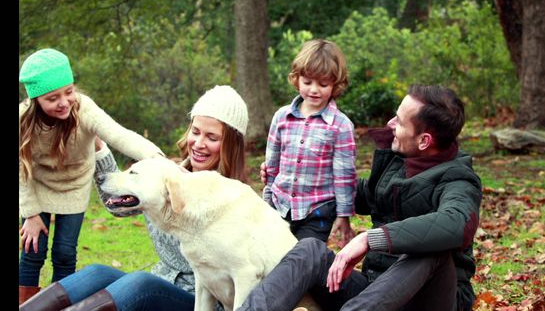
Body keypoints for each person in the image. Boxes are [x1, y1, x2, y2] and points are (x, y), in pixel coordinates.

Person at [242, 84, 482, 311]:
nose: (390, 124)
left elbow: (457, 224)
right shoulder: (399, 163)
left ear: (424, 140)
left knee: (432, 248)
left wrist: (370, 238)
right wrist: (296, 176)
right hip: (374, 292)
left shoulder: (458, 180)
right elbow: (355, 194)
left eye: (398, 121)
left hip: (429, 301)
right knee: (311, 250)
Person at [19, 85, 248, 311]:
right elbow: (117, 206)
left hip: (200, 301)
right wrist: (99, 148)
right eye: (195, 132)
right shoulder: (167, 174)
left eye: (212, 137)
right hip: (160, 284)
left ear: (230, 144)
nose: (198, 144)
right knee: (97, 273)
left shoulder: (235, 199)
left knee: (141, 283)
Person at [18, 48, 165, 305]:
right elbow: (21, 169)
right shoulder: (23, 120)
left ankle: (61, 305)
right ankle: (26, 305)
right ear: (36, 100)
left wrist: (157, 158)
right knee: (33, 251)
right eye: (53, 98)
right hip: (37, 186)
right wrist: (30, 214)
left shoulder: (84, 109)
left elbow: (119, 134)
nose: (64, 102)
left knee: (64, 252)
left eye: (69, 91)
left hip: (73, 186)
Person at [264, 38, 357, 246]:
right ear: (297, 79)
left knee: (305, 258)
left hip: (317, 211)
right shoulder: (282, 117)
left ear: (335, 85)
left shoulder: (341, 126)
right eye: (307, 82)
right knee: (274, 257)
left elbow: (344, 176)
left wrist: (343, 215)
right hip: (280, 205)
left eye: (323, 84)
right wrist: (268, 195)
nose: (314, 90)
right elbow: (272, 161)